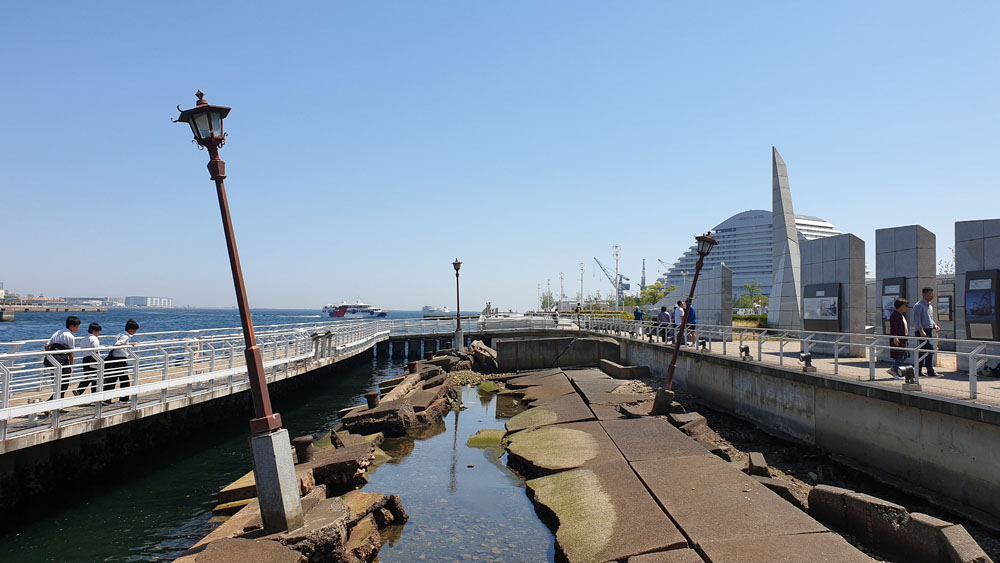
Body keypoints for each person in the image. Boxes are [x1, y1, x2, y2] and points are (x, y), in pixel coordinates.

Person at [45, 316, 80, 400]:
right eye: (77, 326)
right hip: (64, 362)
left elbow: (46, 346)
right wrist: (71, 366)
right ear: (72, 326)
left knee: (57, 384)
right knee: (64, 385)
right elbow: (71, 353)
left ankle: (59, 406)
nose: (78, 329)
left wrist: (49, 356)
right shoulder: (70, 336)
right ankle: (48, 405)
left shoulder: (57, 333)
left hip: (53, 361)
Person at [104, 319, 139, 400]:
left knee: (112, 379)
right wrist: (128, 344)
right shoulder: (125, 336)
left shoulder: (120, 334)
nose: (135, 332)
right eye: (135, 330)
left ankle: (107, 399)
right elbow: (118, 344)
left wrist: (128, 344)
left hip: (114, 358)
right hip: (120, 360)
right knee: (124, 380)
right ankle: (124, 398)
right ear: (130, 330)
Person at [912, 287, 940, 377]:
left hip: (929, 330)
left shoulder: (930, 306)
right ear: (924, 294)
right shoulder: (918, 305)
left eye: (932, 294)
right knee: (930, 349)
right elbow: (917, 320)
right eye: (929, 294)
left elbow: (930, 318)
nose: (931, 296)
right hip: (922, 331)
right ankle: (930, 370)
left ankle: (918, 370)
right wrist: (921, 331)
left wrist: (935, 325)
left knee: (923, 351)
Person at [75, 323, 102, 395]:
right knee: (94, 378)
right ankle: (93, 394)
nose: (98, 333)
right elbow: (96, 351)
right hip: (93, 359)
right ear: (94, 331)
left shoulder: (84, 338)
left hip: (85, 358)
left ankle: (79, 391)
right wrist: (100, 360)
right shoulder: (94, 339)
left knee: (88, 376)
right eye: (98, 331)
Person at [888, 298, 910, 379]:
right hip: (899, 339)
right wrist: (895, 337)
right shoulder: (895, 315)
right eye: (905, 306)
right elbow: (893, 328)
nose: (907, 307)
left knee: (904, 355)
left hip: (903, 338)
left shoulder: (901, 315)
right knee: (901, 355)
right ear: (901, 306)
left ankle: (893, 368)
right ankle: (895, 371)